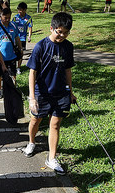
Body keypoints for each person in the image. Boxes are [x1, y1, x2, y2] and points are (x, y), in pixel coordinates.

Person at [22, 13, 76, 175]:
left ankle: (51, 158)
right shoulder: (41, 46)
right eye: (59, 32)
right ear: (51, 28)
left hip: (60, 93)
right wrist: (32, 98)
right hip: (42, 93)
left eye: (66, 32)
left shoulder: (68, 46)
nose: (62, 35)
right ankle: (31, 142)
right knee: (35, 120)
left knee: (55, 124)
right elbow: (32, 73)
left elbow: (68, 70)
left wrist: (70, 92)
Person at [0, 7, 21, 98]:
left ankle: (13, 88)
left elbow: (17, 38)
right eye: (5, 18)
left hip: (11, 55)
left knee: (13, 73)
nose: (7, 20)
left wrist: (20, 49)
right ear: (1, 16)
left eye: (9, 17)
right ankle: (0, 89)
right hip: (0, 57)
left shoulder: (13, 25)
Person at [12, 2, 32, 75]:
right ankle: (13, 67)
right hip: (15, 39)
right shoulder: (15, 18)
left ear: (24, 10)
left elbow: (30, 28)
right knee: (14, 53)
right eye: (18, 10)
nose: (19, 11)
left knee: (21, 53)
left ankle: (18, 68)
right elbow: (12, 27)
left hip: (23, 39)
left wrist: (29, 36)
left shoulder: (29, 18)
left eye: (20, 10)